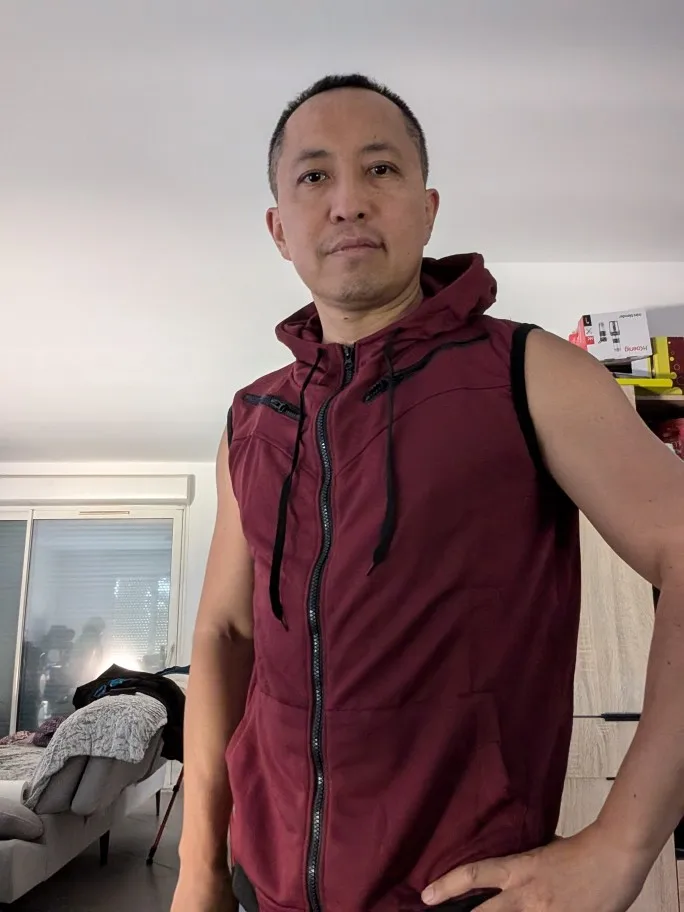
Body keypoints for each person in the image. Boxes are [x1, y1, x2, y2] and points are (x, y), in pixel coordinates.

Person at [171, 74, 684, 912]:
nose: (347, 201)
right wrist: (198, 869)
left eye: (380, 169)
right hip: (261, 888)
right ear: (279, 228)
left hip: (459, 893)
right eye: (314, 176)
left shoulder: (529, 372)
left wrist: (623, 845)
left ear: (428, 208)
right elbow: (225, 632)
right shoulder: (252, 420)